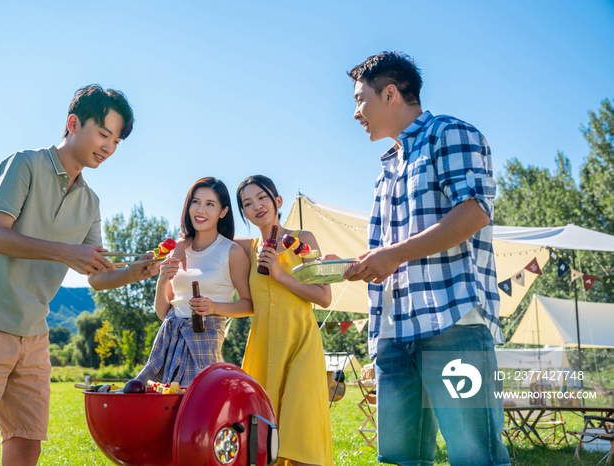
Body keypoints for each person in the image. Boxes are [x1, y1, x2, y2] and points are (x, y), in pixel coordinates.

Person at [0, 85, 142, 466]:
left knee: (26, 448)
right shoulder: (25, 164)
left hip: (34, 335)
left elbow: (96, 276)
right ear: (73, 123)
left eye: (116, 141)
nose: (109, 147)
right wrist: (67, 252)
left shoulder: (90, 201)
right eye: (103, 134)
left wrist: (136, 272)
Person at [342, 51, 510, 466]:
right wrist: (366, 261)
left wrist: (392, 255)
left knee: (476, 456)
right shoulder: (388, 167)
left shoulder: (449, 133)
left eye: (361, 99)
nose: (356, 112)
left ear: (391, 93)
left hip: (452, 325)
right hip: (395, 333)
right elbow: (397, 252)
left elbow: (474, 211)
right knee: (402, 459)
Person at [236, 175, 334, 466]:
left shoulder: (304, 240)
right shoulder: (247, 248)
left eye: (262, 198)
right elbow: (208, 237)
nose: (257, 206)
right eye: (247, 204)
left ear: (278, 201)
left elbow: (324, 297)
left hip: (301, 344)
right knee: (264, 437)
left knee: (301, 430)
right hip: (264, 348)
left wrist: (280, 275)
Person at [125, 177, 253, 386]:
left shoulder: (232, 252)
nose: (200, 210)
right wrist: (162, 279)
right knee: (154, 405)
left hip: (205, 339)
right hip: (168, 339)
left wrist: (213, 307)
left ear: (223, 212)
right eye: (196, 201)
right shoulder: (177, 250)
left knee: (197, 407)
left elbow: (249, 305)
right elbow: (162, 313)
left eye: (210, 204)